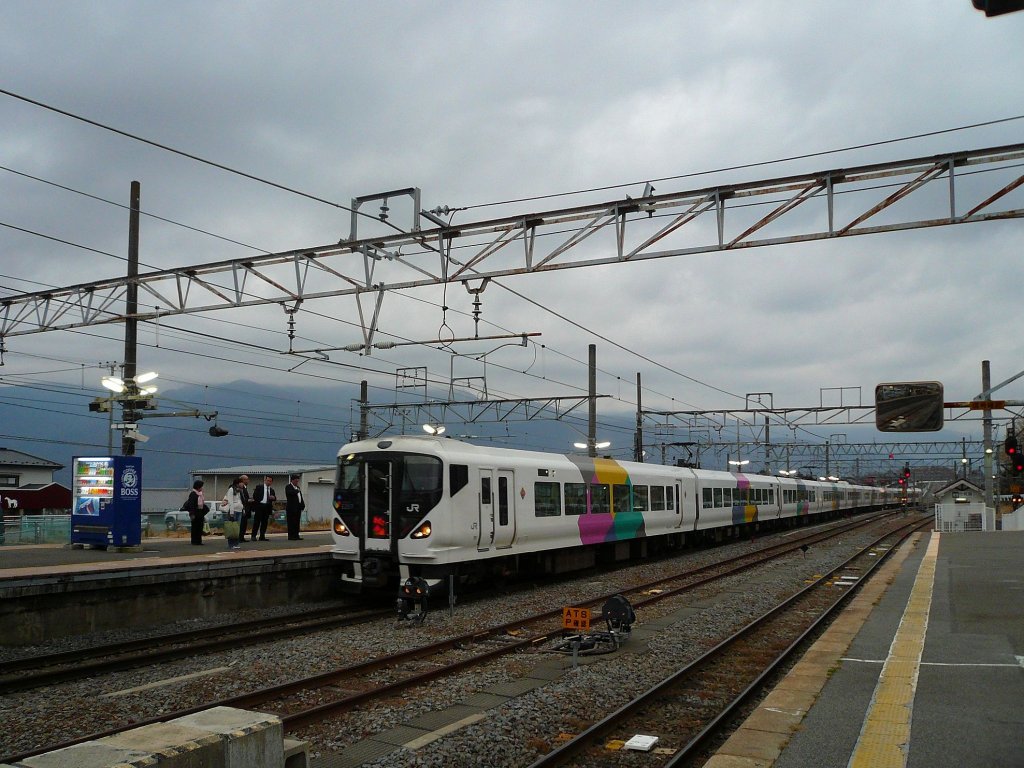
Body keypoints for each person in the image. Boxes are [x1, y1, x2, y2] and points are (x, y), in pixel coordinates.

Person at [221, 476, 246, 550]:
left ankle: (236, 543)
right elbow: (230, 501)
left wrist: (243, 509)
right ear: (237, 483)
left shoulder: (240, 491)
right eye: (241, 483)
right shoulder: (231, 490)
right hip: (233, 511)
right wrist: (231, 512)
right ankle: (231, 544)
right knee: (232, 528)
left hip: (239, 510)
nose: (243, 484)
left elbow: (241, 501)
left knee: (237, 528)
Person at [250, 474, 276, 541]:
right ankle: (253, 536)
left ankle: (262, 536)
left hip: (267, 506)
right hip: (260, 506)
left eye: (270, 481)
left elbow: (274, 497)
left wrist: (273, 498)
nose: (268, 482)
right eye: (268, 480)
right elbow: (255, 496)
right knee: (257, 521)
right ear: (265, 480)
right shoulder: (259, 487)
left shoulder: (272, 490)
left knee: (265, 522)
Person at [184, 479, 208, 545]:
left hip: (200, 512)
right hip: (195, 512)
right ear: (198, 487)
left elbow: (202, 504)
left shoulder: (200, 494)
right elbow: (191, 504)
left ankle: (199, 541)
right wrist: (192, 514)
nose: (202, 488)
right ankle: (194, 541)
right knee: (195, 527)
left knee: (200, 526)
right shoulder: (193, 494)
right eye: (201, 486)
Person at [284, 473, 305, 540]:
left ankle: (296, 535)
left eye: (297, 481)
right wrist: (296, 491)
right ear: (292, 480)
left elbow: (300, 497)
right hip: (291, 508)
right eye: (296, 481)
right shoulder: (288, 487)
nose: (297, 482)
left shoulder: (298, 488)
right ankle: (291, 536)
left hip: (298, 508)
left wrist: (302, 504)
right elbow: (290, 493)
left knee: (297, 522)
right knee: (291, 522)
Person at [237, 474, 252, 541]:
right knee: (241, 523)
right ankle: (239, 537)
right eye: (246, 479)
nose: (248, 481)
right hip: (241, 508)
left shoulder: (245, 488)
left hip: (246, 509)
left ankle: (242, 537)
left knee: (244, 523)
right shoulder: (239, 489)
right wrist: (247, 500)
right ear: (242, 480)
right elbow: (240, 498)